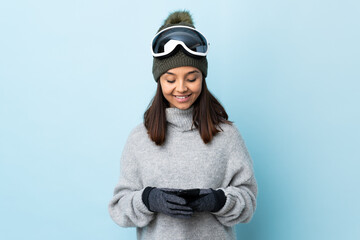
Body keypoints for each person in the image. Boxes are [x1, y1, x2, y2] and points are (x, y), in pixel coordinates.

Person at [108, 10, 258, 240]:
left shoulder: (227, 136)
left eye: (191, 78)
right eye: (170, 79)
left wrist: (219, 201)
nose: (181, 88)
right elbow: (119, 209)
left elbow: (248, 201)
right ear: (159, 81)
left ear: (202, 78)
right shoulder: (139, 139)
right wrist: (148, 199)